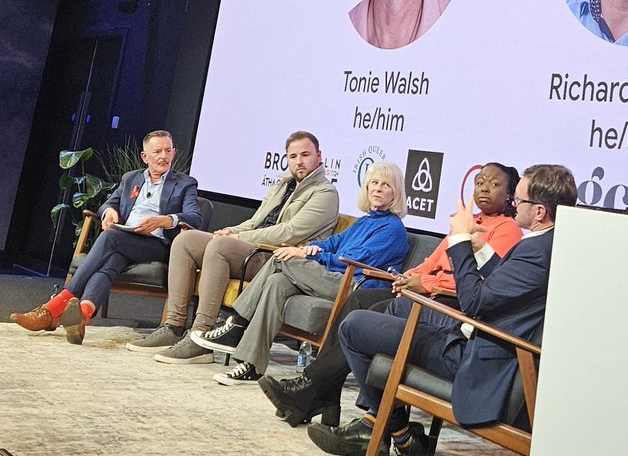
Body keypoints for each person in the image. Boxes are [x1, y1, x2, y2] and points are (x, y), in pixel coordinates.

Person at [306, 164, 578, 456]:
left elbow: (474, 302)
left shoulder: (536, 252)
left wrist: (460, 241)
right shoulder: (546, 245)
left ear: (539, 212)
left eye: (518, 200)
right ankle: (394, 433)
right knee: (376, 315)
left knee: (355, 326)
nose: (513, 203)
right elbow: (503, 285)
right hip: (469, 341)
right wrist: (477, 245)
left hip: (474, 359)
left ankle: (384, 429)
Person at [258, 162, 523, 427]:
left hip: (451, 305)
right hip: (427, 294)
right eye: (480, 183)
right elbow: (432, 261)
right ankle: (321, 391)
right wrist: (408, 278)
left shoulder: (507, 229)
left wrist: (426, 283)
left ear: (510, 194)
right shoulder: (468, 222)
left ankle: (314, 389)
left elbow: (481, 281)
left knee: (369, 315)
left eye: (495, 184)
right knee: (359, 301)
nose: (484, 188)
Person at [124, 129, 339, 365]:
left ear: (319, 156)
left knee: (221, 247)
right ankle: (174, 325)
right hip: (255, 248)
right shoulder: (283, 185)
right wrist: (233, 230)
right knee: (186, 240)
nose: (299, 161)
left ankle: (200, 336)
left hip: (280, 259)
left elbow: (289, 232)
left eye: (305, 155)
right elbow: (257, 220)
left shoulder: (325, 193)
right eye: (293, 156)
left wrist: (239, 238)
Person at [191, 160, 409, 386]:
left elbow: (354, 261)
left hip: (353, 286)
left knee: (281, 259)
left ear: (395, 193)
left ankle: (237, 323)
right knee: (277, 281)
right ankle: (252, 365)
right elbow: (334, 243)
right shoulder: (366, 222)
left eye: (385, 185)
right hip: (334, 276)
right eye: (374, 182)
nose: (377, 188)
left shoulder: (393, 229)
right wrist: (312, 248)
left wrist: (309, 255)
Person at [12, 130, 201, 344]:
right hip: (126, 239)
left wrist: (165, 220)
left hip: (158, 244)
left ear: (174, 153)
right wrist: (108, 211)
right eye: (157, 151)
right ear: (144, 157)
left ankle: (54, 308)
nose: (163, 156)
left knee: (110, 238)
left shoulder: (185, 183)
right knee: (110, 262)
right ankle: (82, 317)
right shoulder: (131, 178)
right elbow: (109, 203)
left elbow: (195, 217)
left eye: (168, 150)